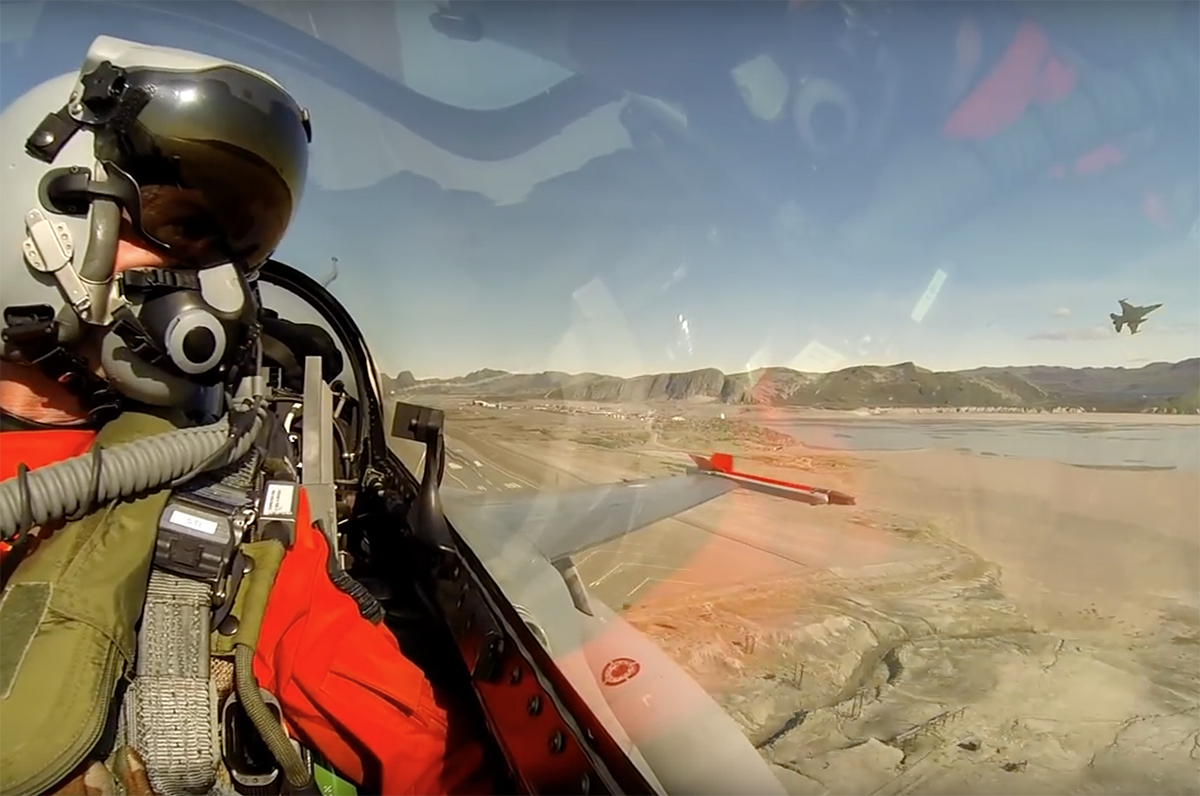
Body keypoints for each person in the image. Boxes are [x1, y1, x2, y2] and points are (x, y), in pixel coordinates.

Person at [0, 37, 498, 796]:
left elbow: (432, 764)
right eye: (181, 227)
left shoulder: (228, 510)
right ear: (40, 223)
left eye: (234, 257)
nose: (218, 291)